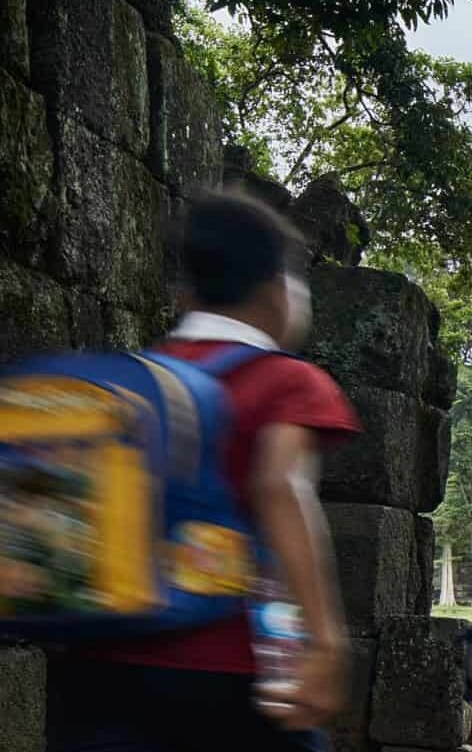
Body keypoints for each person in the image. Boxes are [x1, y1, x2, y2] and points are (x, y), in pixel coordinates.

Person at [46, 189, 361, 751]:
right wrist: (327, 641)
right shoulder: (287, 380)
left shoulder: (130, 383)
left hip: (97, 674)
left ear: (188, 293)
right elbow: (279, 485)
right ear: (277, 290)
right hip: (236, 678)